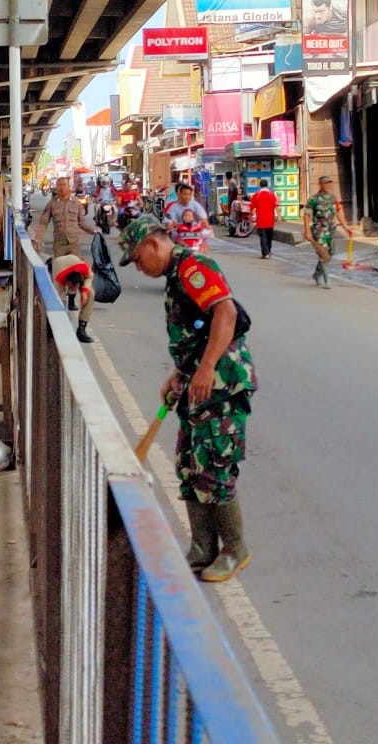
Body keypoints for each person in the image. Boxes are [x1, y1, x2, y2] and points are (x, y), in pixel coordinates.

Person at [118, 215, 256, 583]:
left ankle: (234, 549)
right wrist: (180, 373)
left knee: (214, 465)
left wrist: (208, 367)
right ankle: (202, 548)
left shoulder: (194, 267)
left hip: (223, 384)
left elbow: (224, 312)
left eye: (138, 258)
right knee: (190, 466)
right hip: (199, 383)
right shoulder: (174, 277)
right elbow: (194, 333)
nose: (139, 267)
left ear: (153, 243)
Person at [33, 177, 99, 309]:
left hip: (74, 244)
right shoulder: (52, 204)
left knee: (75, 273)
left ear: (69, 187)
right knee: (60, 272)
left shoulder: (76, 203)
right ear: (56, 188)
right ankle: (60, 300)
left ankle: (71, 299)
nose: (61, 188)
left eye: (64, 185)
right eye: (59, 185)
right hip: (60, 244)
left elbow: (82, 223)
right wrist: (38, 239)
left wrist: (93, 231)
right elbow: (43, 223)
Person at [303, 176, 345, 287]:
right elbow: (307, 215)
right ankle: (327, 280)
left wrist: (345, 226)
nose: (328, 185)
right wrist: (307, 232)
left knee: (330, 255)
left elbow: (338, 211)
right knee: (324, 255)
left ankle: (317, 274)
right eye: (325, 183)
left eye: (329, 183)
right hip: (319, 230)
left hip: (330, 230)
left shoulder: (332, 198)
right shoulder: (313, 199)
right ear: (320, 184)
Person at [51, 254, 96, 343]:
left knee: (91, 293)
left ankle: (81, 329)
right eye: (71, 287)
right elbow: (57, 298)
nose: (73, 290)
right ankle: (55, 327)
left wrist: (85, 291)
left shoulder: (84, 269)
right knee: (59, 300)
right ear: (67, 282)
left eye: (75, 287)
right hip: (59, 265)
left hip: (74, 264)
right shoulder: (59, 278)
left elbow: (90, 276)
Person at [250, 179, 278, 258]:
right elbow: (276, 205)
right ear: (267, 185)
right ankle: (268, 251)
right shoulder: (271, 194)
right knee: (269, 237)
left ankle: (265, 253)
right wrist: (278, 217)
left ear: (260, 185)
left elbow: (252, 206)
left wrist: (250, 215)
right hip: (270, 219)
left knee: (263, 237)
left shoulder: (257, 194)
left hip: (261, 220)